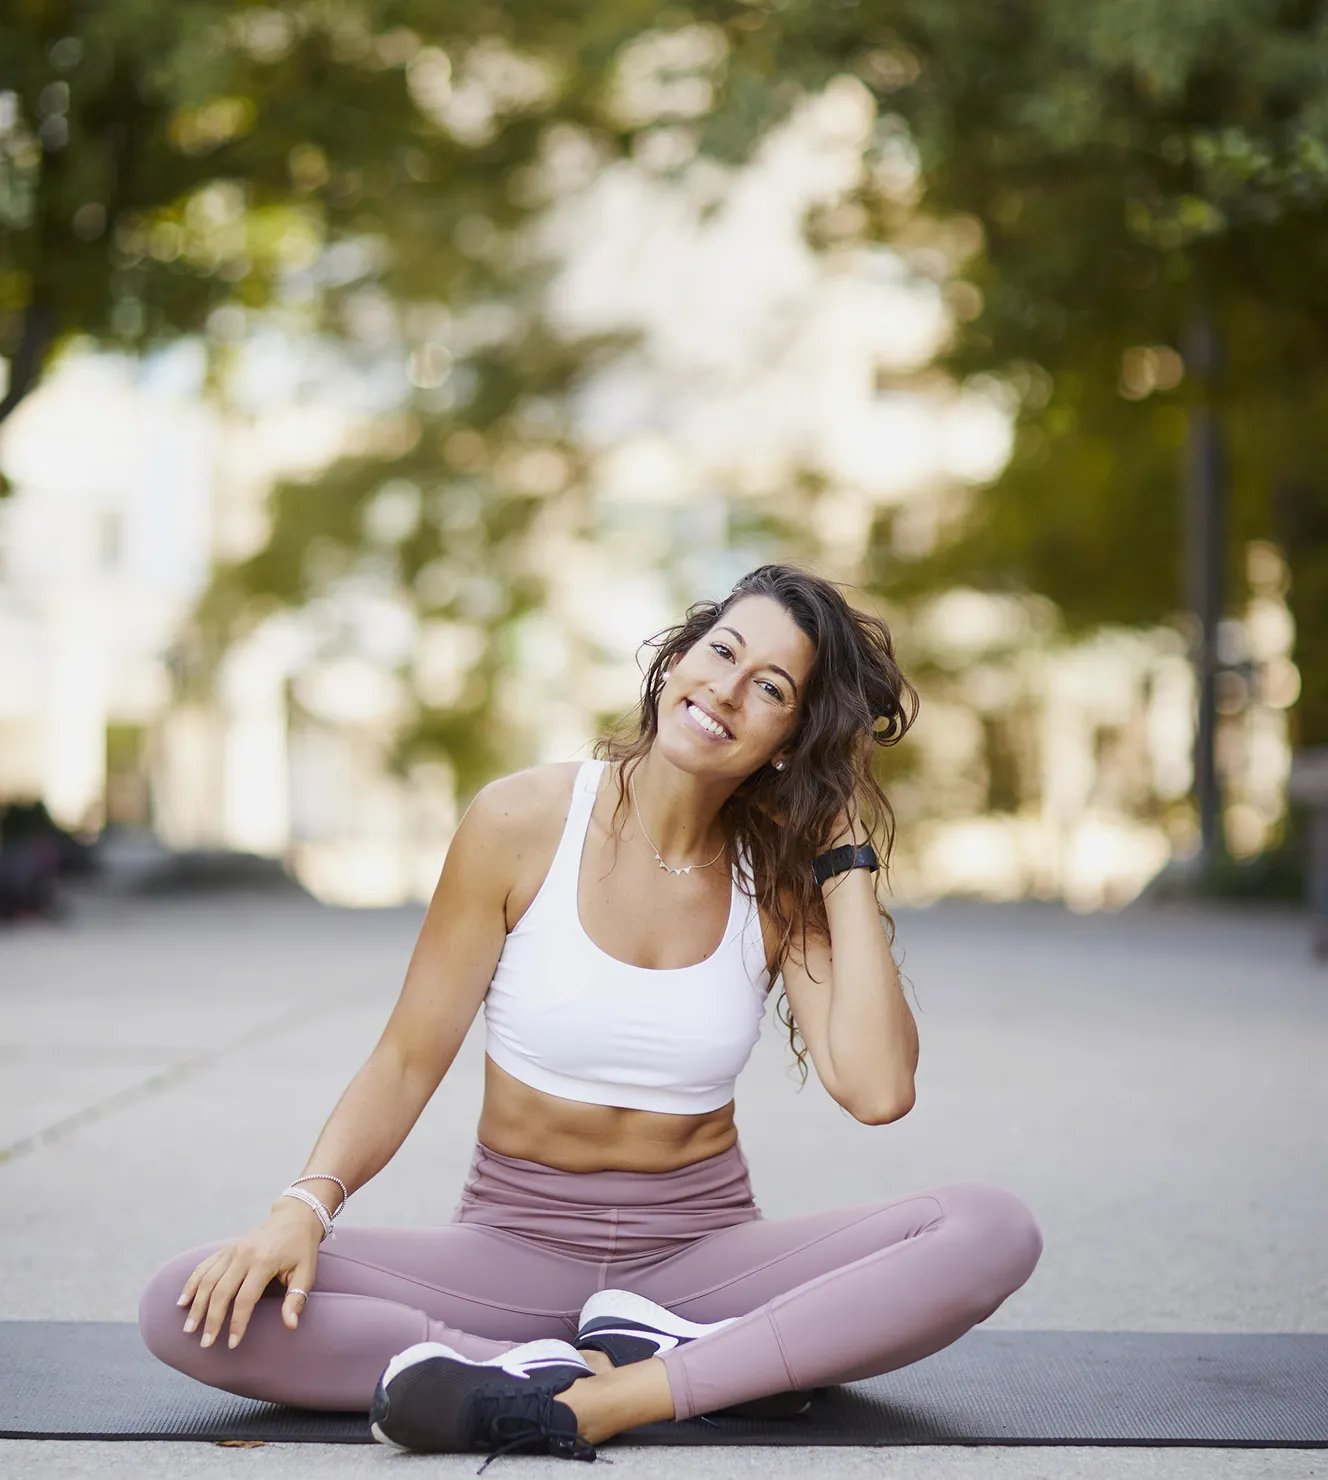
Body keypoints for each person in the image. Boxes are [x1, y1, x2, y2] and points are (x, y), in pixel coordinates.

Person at [140, 565, 1043, 1464]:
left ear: (789, 739)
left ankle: (612, 1397)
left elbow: (879, 1088)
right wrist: (305, 1205)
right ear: (678, 658)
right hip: (509, 1253)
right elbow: (408, 1059)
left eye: (770, 687)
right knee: (189, 1300)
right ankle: (539, 1367)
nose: (726, 689)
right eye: (720, 651)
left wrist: (843, 856)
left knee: (991, 1229)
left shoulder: (772, 876)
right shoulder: (522, 821)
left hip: (701, 1263)